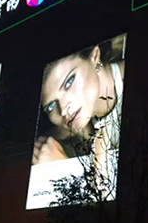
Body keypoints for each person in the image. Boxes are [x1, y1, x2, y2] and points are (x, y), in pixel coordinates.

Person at [32, 36, 126, 176]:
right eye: (51, 106)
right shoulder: (56, 139)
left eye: (69, 82)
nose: (63, 110)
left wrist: (65, 169)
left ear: (94, 56)